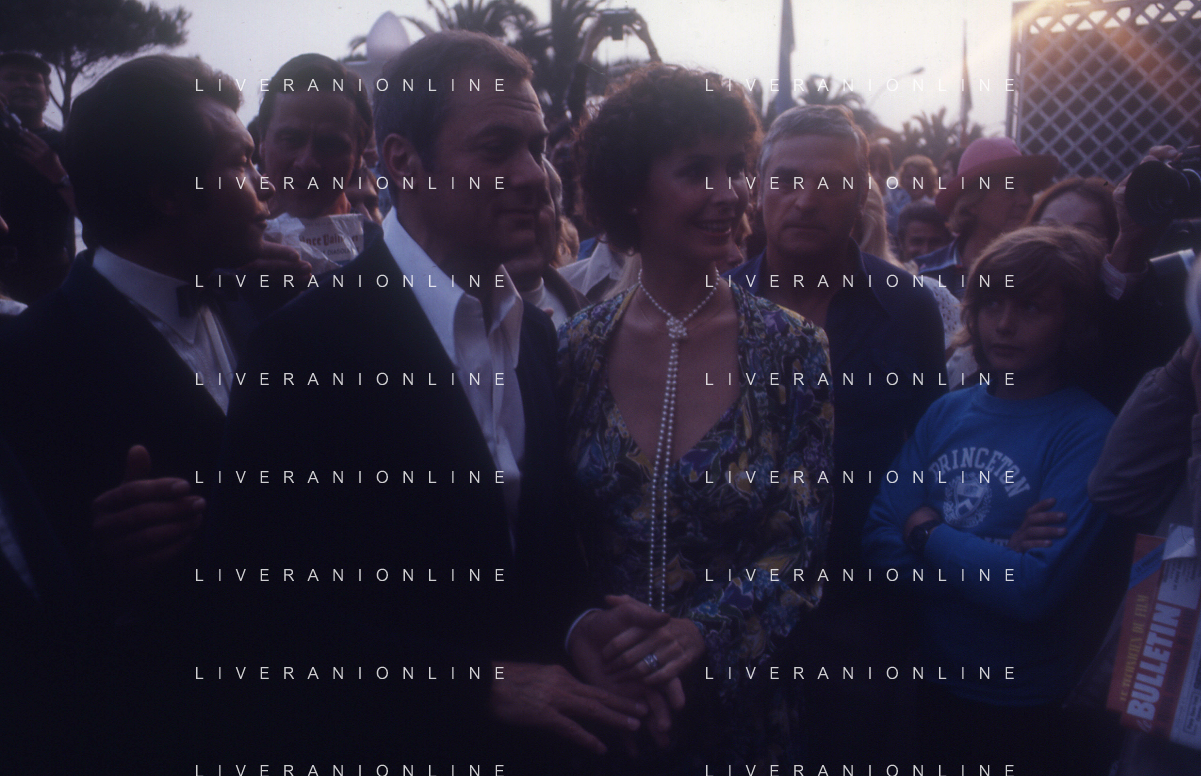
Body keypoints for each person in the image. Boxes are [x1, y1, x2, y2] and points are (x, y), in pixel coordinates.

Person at [209, 31, 647, 769]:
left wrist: (579, 626)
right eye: (496, 149)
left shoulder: (537, 336)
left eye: (537, 147)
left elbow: (526, 556)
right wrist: (473, 685)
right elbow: (260, 610)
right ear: (403, 161)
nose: (533, 176)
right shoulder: (308, 347)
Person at [0, 53, 306, 773]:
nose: (262, 185)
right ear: (170, 193)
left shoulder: (264, 306)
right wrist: (103, 557)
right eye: (240, 164)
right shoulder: (29, 359)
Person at [562, 63, 832, 772]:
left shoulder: (791, 347)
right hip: (605, 707)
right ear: (631, 192)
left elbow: (803, 545)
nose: (729, 192)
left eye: (735, 168)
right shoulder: (576, 348)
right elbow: (551, 537)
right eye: (695, 171)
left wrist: (699, 635)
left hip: (739, 717)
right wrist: (596, 639)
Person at [726, 104, 946, 766]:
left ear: (860, 197)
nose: (805, 199)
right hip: (733, 603)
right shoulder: (716, 307)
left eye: (830, 183)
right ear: (758, 189)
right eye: (787, 180)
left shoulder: (908, 308)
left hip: (865, 608)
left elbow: (929, 445)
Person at [862, 225, 1115, 772]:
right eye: (992, 303)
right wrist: (991, 562)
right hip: (930, 682)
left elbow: (1031, 591)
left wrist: (926, 532)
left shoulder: (1087, 431)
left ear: (1072, 321)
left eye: (1031, 307)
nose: (1004, 324)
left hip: (1026, 704)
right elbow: (879, 541)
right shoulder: (948, 411)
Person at [257, 53, 377, 271]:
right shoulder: (216, 255)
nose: (307, 162)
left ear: (359, 153)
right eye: (290, 140)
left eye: (329, 144)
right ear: (262, 142)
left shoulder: (387, 259)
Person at [919, 136, 1058, 297]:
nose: (1026, 200)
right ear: (972, 203)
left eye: (1028, 190)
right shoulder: (925, 273)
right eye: (1010, 189)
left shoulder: (1041, 273)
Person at [0, 51, 74, 302]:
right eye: (12, 78)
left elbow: (96, 215)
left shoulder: (67, 145)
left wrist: (57, 174)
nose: (24, 85)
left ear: (47, 94)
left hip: (50, 277)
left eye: (33, 79)